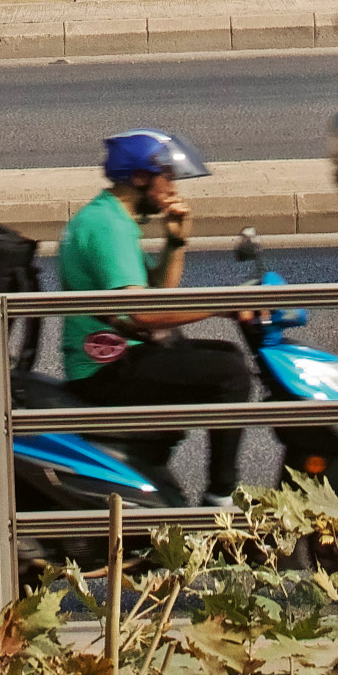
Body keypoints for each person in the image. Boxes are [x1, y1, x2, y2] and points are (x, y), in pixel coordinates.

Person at [51, 128, 265, 503]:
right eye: (167, 177)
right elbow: (144, 314)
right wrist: (222, 303)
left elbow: (156, 295)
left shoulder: (112, 218)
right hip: (103, 369)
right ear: (139, 177)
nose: (174, 187)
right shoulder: (107, 227)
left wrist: (176, 241)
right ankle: (220, 497)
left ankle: (151, 465)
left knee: (223, 357)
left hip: (115, 354)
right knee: (229, 374)